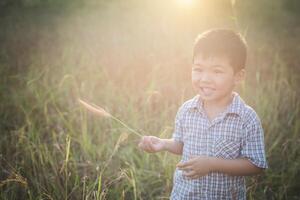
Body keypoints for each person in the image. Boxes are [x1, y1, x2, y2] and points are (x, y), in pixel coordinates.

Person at [138, 29, 268, 199]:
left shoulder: (246, 118)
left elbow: (256, 164)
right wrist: (162, 143)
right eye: (198, 69)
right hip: (185, 194)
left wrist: (213, 164)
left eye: (217, 71)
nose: (205, 78)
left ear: (238, 76)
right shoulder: (187, 110)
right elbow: (181, 144)